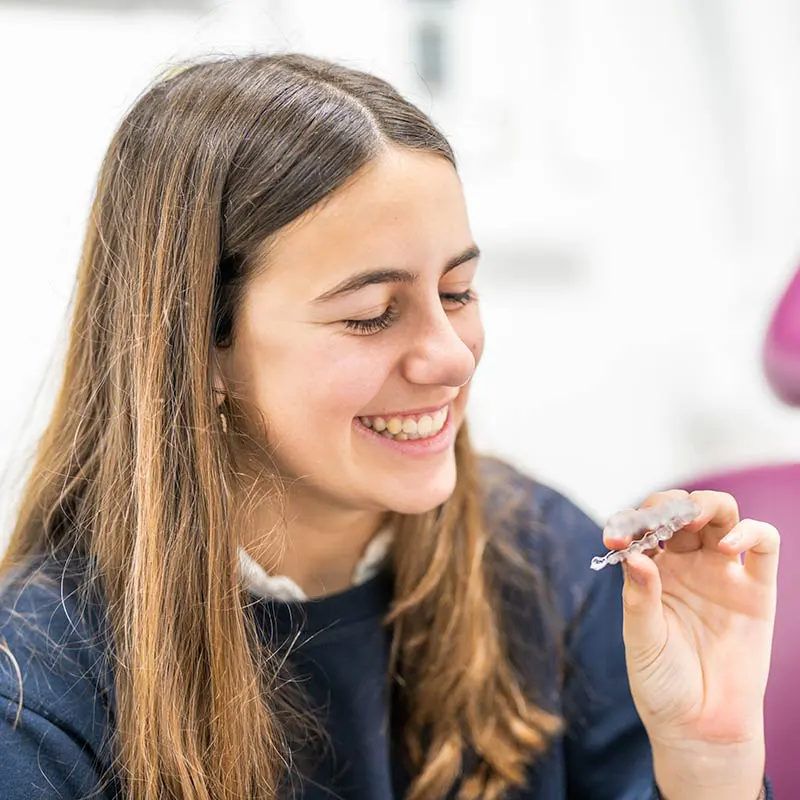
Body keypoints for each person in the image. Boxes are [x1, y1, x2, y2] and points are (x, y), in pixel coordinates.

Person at [0, 54, 777, 800]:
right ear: (202, 347)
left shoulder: (543, 559)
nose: (450, 358)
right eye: (372, 316)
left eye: (460, 292)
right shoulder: (39, 695)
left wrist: (708, 761)